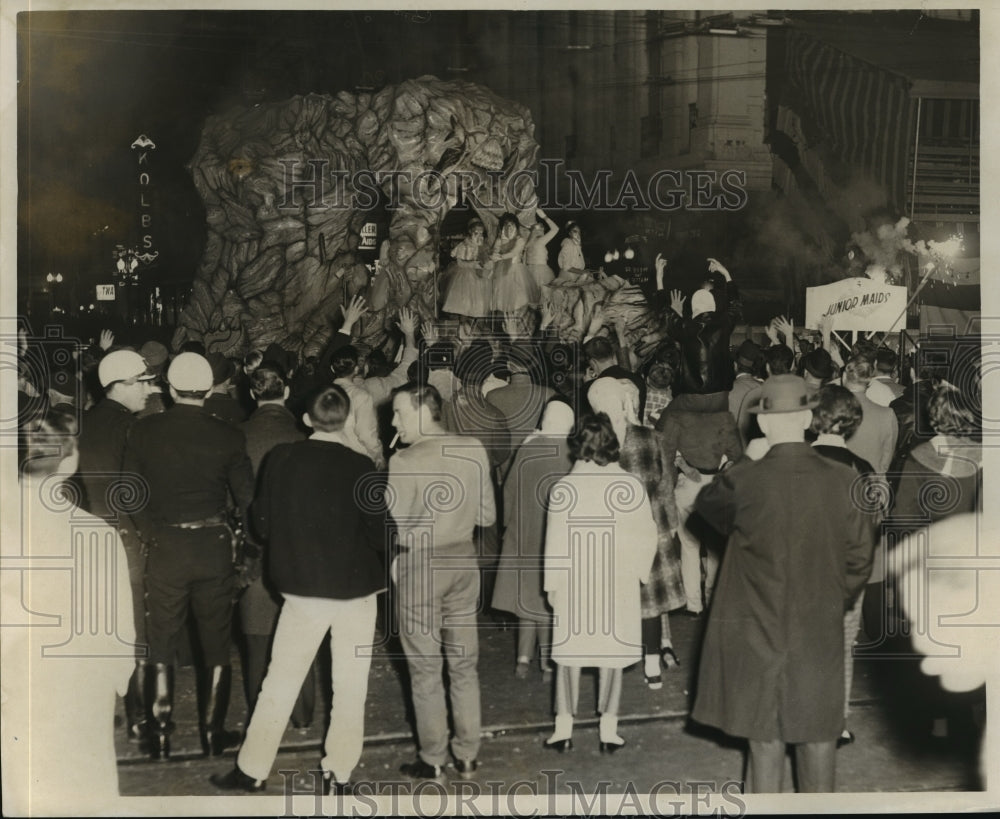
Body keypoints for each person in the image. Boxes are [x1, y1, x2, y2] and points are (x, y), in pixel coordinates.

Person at [691, 374, 874, 793]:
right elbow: (861, 558)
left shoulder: (746, 479)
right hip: (816, 630)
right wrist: (833, 599)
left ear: (763, 424)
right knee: (817, 741)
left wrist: (748, 461)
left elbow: (707, 508)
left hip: (756, 629)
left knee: (765, 741)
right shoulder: (844, 481)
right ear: (810, 419)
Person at [211, 386, 388, 794]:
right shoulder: (362, 467)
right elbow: (380, 534)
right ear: (345, 421)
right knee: (350, 684)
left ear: (305, 419)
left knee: (281, 680)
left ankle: (252, 770)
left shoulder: (283, 459)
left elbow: (262, 524)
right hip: (356, 591)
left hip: (304, 590)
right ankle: (339, 774)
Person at [123, 352, 255, 760]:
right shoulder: (229, 435)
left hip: (166, 547)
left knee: (160, 640)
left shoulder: (144, 432)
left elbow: (130, 492)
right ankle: (212, 734)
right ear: (210, 388)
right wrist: (248, 545)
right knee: (215, 641)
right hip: (213, 547)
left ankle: (160, 735)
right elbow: (248, 501)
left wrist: (150, 533)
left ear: (170, 388)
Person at [4, 409, 135, 814]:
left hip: (18, 679)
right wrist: (120, 675)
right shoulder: (97, 533)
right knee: (86, 786)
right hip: (83, 682)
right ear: (70, 459)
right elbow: (118, 622)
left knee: (23, 783)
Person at [388, 383, 497, 780]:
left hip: (420, 567)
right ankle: (468, 754)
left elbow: (395, 525)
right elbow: (486, 516)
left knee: (425, 668)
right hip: (463, 562)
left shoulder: (402, 460)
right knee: (464, 664)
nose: (393, 421)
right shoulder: (472, 448)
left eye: (399, 412)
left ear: (421, 410)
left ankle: (433, 759)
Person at [542, 413, 658, 752]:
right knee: (611, 653)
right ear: (612, 445)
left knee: (569, 655)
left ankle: (563, 728)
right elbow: (646, 533)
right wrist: (638, 571)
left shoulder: (565, 487)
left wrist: (553, 583)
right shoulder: (628, 485)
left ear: (577, 446)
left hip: (575, 580)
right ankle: (609, 729)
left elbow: (555, 540)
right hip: (615, 580)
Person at [76, 349, 157, 745]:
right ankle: (140, 716)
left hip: (86, 538)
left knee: (96, 626)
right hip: (125, 539)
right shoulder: (133, 429)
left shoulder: (82, 422)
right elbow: (135, 495)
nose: (150, 389)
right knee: (135, 625)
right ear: (122, 385)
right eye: (144, 382)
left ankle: (97, 711)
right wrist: (150, 536)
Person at [588, 377, 684, 688]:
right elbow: (665, 484)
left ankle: (615, 661)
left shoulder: (591, 442)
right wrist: (670, 526)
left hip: (609, 532)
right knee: (650, 601)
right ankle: (652, 667)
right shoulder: (649, 437)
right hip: (649, 526)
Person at [235, 362, 314, 727]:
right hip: (299, 550)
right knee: (301, 637)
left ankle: (263, 719)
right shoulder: (304, 436)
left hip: (254, 549)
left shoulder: (237, 435)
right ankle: (303, 714)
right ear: (286, 391)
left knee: (257, 639)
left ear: (252, 394)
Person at [808, 384, 881, 748]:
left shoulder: (793, 462)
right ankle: (838, 723)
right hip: (848, 579)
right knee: (843, 650)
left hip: (803, 577)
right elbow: (873, 528)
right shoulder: (864, 469)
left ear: (812, 417)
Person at [491, 397, 575, 680]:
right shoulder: (573, 453)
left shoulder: (527, 449)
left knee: (527, 598)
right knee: (551, 600)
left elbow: (509, 490)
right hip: (558, 537)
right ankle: (548, 661)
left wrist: (507, 526)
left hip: (524, 532)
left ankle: (523, 658)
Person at [442, 218, 492, 319]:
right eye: (476, 233)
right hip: (465, 276)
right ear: (470, 232)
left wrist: (486, 264)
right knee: (465, 303)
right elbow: (460, 263)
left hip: (479, 275)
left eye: (481, 233)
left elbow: (486, 259)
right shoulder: (463, 245)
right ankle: (463, 323)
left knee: (478, 303)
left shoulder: (483, 246)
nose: (479, 236)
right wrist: (473, 264)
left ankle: (475, 325)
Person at [491, 212, 538, 312]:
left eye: (511, 224)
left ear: (516, 226)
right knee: (502, 296)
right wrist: (495, 254)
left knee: (518, 297)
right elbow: (496, 248)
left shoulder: (520, 239)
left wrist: (500, 256)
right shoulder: (500, 239)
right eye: (506, 225)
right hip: (502, 270)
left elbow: (513, 253)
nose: (509, 227)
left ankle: (516, 318)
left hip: (516, 269)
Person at [524, 208, 559, 292]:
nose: (543, 232)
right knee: (543, 295)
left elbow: (524, 258)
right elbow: (555, 229)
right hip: (541, 272)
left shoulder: (527, 242)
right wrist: (544, 217)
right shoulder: (540, 241)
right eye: (542, 230)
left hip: (528, 271)